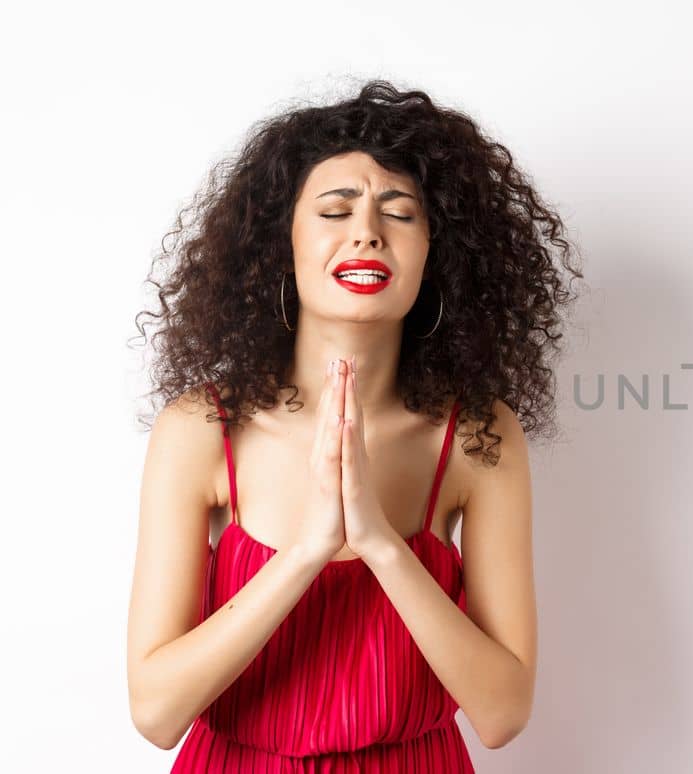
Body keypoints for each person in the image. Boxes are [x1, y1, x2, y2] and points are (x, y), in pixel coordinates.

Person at [125, 79, 583, 771]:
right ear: (282, 246)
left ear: (436, 255)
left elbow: (502, 714)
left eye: (399, 213)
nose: (367, 231)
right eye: (335, 210)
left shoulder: (476, 436)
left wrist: (378, 541)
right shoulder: (203, 427)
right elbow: (156, 714)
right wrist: (310, 549)